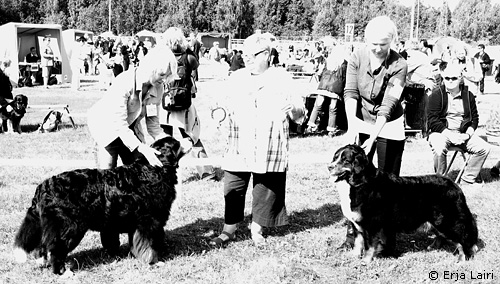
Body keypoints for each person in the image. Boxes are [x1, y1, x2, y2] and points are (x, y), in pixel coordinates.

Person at [209, 33, 306, 247]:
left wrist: (295, 108)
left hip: (269, 144)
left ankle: (257, 227)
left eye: (252, 54)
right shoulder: (236, 78)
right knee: (232, 185)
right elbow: (220, 105)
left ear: (266, 54)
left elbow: (301, 112)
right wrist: (219, 114)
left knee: (266, 187)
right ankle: (229, 230)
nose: (247, 58)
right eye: (244, 54)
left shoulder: (282, 78)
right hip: (239, 143)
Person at [340, 16, 408, 250]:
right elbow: (350, 92)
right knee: (356, 181)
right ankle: (353, 236)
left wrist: (373, 136)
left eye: (384, 44)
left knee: (387, 184)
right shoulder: (356, 56)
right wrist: (352, 127)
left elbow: (389, 104)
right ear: (365, 40)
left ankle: (386, 241)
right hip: (359, 120)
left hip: (388, 124)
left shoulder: (400, 64)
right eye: (374, 44)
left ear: (392, 41)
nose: (378, 49)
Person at [86, 46, 178, 170]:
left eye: (168, 76)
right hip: (106, 126)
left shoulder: (158, 87)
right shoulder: (124, 81)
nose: (165, 80)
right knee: (107, 175)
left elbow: (153, 124)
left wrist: (171, 144)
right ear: (151, 68)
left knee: (140, 171)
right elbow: (118, 123)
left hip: (129, 127)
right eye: (162, 75)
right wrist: (141, 147)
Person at [159, 27, 216, 181]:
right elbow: (196, 65)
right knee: (192, 137)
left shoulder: (161, 56)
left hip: (166, 103)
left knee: (165, 138)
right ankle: (206, 171)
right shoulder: (189, 57)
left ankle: (166, 172)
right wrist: (189, 49)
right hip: (184, 103)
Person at [427, 62, 491, 185]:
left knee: (484, 148)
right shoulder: (435, 95)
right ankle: (440, 183)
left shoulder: (468, 95)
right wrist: (450, 135)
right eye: (447, 78)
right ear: (443, 78)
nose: (450, 81)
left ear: (460, 77)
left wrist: (467, 135)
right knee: (439, 147)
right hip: (441, 132)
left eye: (454, 78)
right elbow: (432, 121)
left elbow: (475, 119)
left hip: (462, 133)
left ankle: (467, 179)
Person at [305, 45, 348, 137]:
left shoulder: (328, 61)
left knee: (317, 106)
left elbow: (320, 72)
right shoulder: (344, 63)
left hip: (323, 85)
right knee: (333, 109)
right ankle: (331, 130)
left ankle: (310, 126)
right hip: (336, 87)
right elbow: (345, 77)